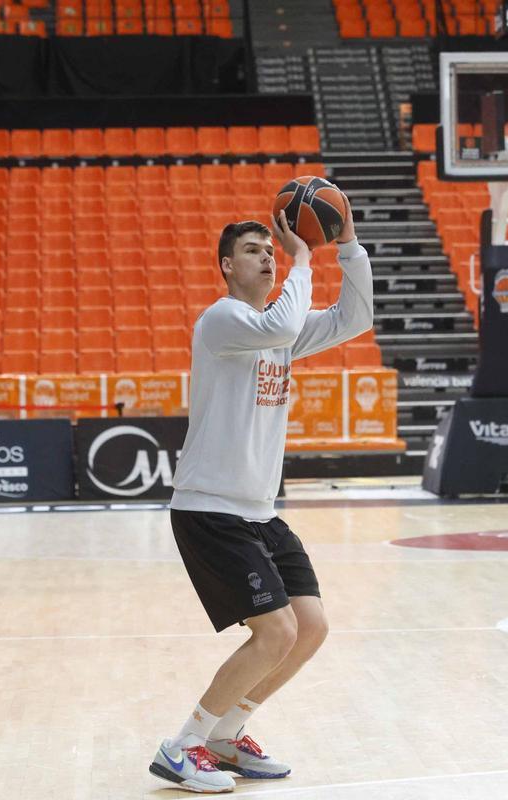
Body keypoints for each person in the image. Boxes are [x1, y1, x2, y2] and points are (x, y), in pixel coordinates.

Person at [150, 196, 373, 793]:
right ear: (226, 265)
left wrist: (346, 242)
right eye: (254, 251)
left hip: (260, 512)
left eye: (271, 250)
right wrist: (303, 256)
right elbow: (279, 321)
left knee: (311, 627)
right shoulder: (222, 320)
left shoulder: (278, 333)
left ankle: (228, 732)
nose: (270, 259)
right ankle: (182, 746)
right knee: (273, 632)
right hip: (210, 508)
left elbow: (354, 319)